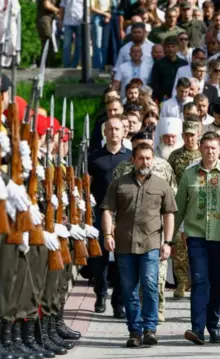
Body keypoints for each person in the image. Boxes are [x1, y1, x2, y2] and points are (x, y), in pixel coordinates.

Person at [100, 143, 177, 348]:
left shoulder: (162, 185)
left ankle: (150, 329)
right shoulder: (119, 184)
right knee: (128, 289)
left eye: (148, 158)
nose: (145, 162)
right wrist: (108, 234)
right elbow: (107, 210)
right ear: (133, 160)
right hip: (124, 245)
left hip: (151, 244)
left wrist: (167, 242)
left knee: (150, 285)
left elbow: (169, 214)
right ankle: (135, 331)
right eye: (141, 158)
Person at [175, 131, 220, 345]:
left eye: (214, 147)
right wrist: (169, 238)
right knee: (200, 281)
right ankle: (197, 329)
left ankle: (214, 327)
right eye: (206, 147)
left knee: (219, 283)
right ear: (200, 148)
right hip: (197, 236)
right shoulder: (189, 174)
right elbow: (179, 207)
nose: (210, 151)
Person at [87, 118, 132, 319]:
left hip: (124, 214)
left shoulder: (131, 157)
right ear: (104, 132)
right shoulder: (94, 157)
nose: (114, 132)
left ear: (124, 132)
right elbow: (86, 185)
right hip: (99, 212)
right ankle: (101, 292)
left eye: (117, 129)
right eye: (110, 129)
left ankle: (118, 302)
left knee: (124, 260)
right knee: (99, 260)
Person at [168, 119, 203, 299]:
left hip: (199, 206)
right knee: (178, 245)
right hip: (179, 204)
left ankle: (196, 280)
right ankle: (181, 281)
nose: (190, 138)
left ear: (198, 135)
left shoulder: (203, 154)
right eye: (187, 135)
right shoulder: (175, 156)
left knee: (197, 247)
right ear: (183, 136)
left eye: (193, 135)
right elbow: (170, 179)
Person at [150, 36, 188, 102]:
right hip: (163, 98)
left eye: (173, 46)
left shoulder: (184, 64)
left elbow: (187, 81)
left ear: (178, 48)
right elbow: (155, 83)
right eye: (168, 47)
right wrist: (162, 95)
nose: (170, 49)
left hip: (181, 96)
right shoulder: (158, 64)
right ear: (164, 48)